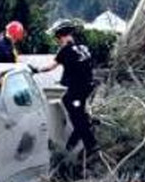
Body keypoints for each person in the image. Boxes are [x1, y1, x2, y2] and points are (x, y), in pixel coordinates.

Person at [35, 20, 99, 155]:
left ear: (61, 36)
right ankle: (75, 140)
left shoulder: (65, 50)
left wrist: (36, 69)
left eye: (57, 38)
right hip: (88, 87)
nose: (58, 41)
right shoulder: (83, 47)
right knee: (78, 113)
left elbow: (50, 67)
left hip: (76, 90)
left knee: (76, 116)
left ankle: (91, 144)